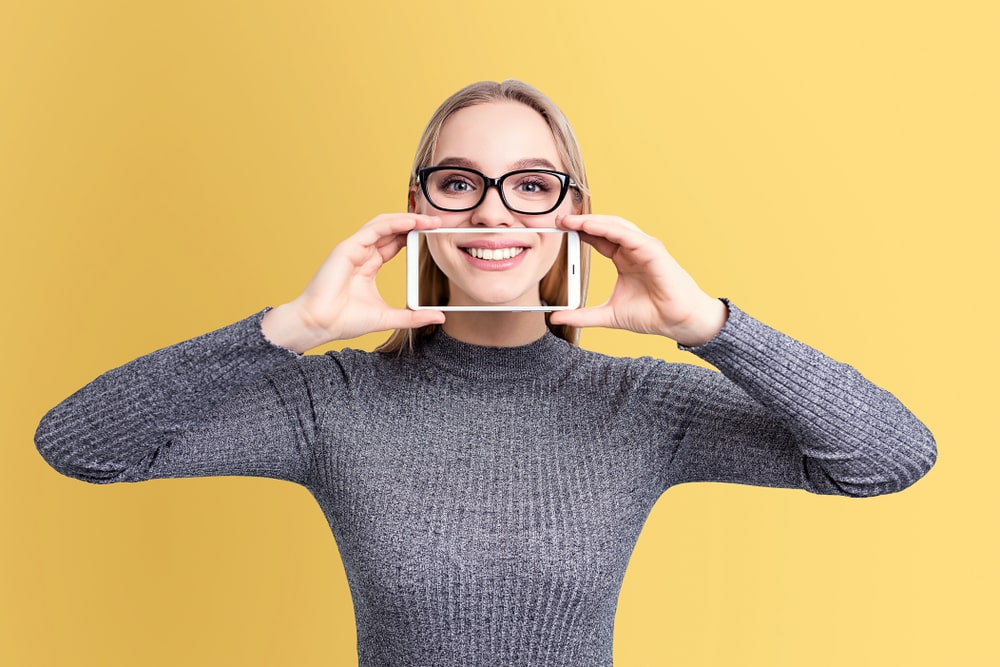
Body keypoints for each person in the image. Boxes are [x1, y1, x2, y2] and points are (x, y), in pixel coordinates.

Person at [35, 79, 936, 666]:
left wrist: (709, 325)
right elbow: (79, 444)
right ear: (420, 205)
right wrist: (289, 327)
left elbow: (888, 458)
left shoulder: (640, 403)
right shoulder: (334, 401)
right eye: (459, 181)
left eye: (531, 183)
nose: (494, 209)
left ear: (573, 212)